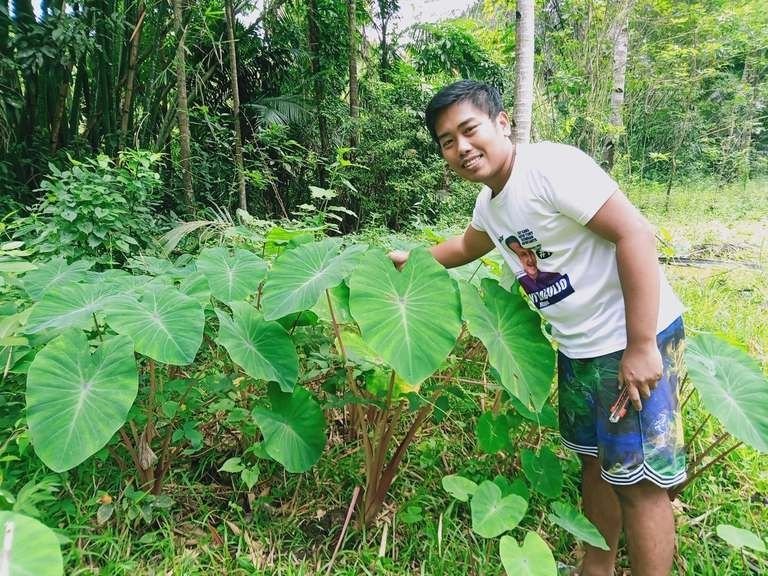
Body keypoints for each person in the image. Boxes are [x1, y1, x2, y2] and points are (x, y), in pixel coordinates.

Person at [389, 80, 686, 576]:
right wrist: (407, 261)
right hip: (579, 349)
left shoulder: (550, 168)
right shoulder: (490, 205)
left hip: (632, 337)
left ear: (502, 123)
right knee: (594, 465)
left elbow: (634, 232)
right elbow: (465, 248)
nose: (461, 148)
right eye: (447, 141)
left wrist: (640, 346)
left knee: (639, 486)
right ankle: (597, 568)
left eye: (469, 130)